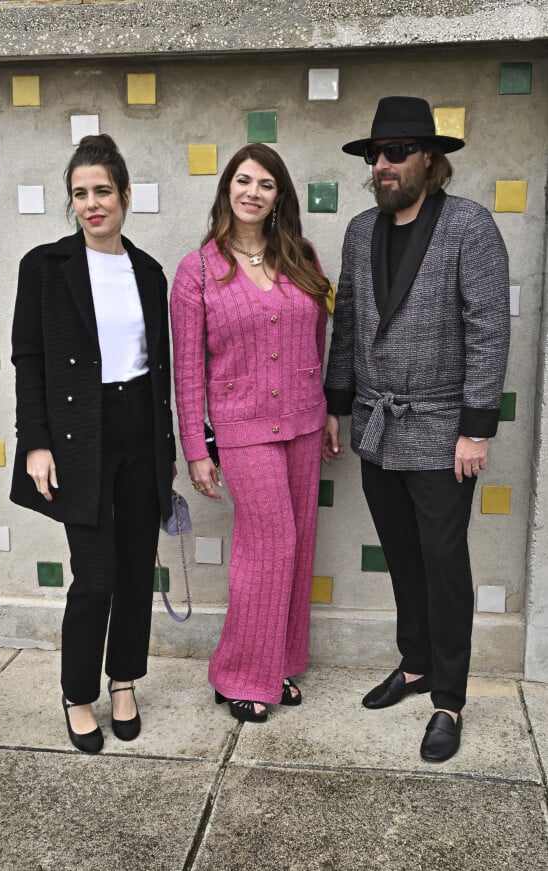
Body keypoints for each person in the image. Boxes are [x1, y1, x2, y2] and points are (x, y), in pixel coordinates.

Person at [323, 96, 510, 762]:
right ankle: (414, 661)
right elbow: (347, 321)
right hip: (376, 423)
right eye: (376, 154)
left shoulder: (469, 226)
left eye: (397, 151)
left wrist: (476, 427)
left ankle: (449, 697)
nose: (383, 164)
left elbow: (488, 330)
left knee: (442, 561)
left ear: (430, 159)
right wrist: (336, 403)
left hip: (440, 427)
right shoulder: (358, 230)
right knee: (402, 554)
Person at [10, 134, 176, 753]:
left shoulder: (150, 272)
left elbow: (159, 372)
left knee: (136, 572)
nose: (91, 204)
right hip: (81, 433)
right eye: (80, 194)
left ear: (125, 195)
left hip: (140, 429)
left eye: (102, 191)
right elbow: (29, 359)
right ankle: (78, 693)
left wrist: (169, 452)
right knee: (96, 575)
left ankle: (124, 680)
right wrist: (36, 442)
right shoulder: (44, 267)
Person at [171, 143, 331, 722]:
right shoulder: (200, 269)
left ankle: (277, 665)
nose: (253, 192)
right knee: (270, 545)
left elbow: (317, 341)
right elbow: (188, 371)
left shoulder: (302, 255)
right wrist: (196, 449)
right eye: (243, 181)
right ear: (227, 190)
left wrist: (328, 408)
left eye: (265, 183)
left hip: (306, 423)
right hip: (243, 431)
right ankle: (238, 673)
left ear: (278, 195)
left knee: (299, 543)